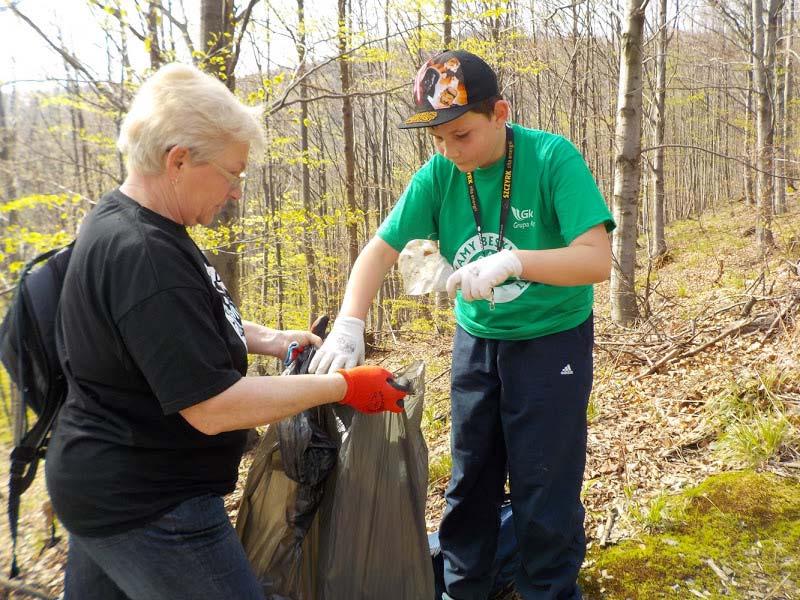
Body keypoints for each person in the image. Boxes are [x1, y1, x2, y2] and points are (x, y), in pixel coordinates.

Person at [44, 63, 407, 600]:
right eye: (232, 173)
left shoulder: (131, 222)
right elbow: (213, 407)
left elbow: (177, 332)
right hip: (151, 505)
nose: (236, 191)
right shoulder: (147, 259)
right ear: (178, 160)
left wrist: (268, 337)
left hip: (99, 486)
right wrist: (346, 386)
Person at [309, 50, 615, 600]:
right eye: (439, 139)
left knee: (544, 480)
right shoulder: (440, 173)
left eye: (463, 135)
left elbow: (595, 259)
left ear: (500, 112)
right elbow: (379, 251)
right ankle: (461, 590)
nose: (451, 151)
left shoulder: (551, 159)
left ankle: (548, 589)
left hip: (552, 341)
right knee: (469, 477)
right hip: (477, 341)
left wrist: (518, 261)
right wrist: (350, 322)